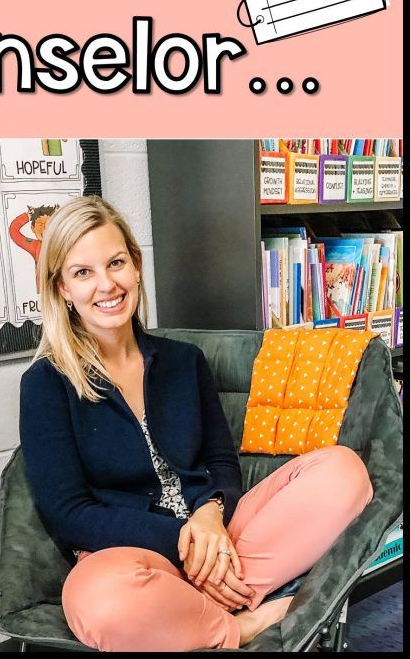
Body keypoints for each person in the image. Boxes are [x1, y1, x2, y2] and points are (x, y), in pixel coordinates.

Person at [19, 196, 373, 651]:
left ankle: (199, 604)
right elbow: (67, 512)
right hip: (133, 553)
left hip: (223, 532)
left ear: (136, 265)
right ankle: (240, 622)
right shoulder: (46, 383)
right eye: (83, 272)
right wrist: (186, 542)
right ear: (62, 288)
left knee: (343, 471)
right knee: (100, 603)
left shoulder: (184, 361)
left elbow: (221, 459)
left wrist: (210, 515)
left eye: (116, 263)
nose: (106, 284)